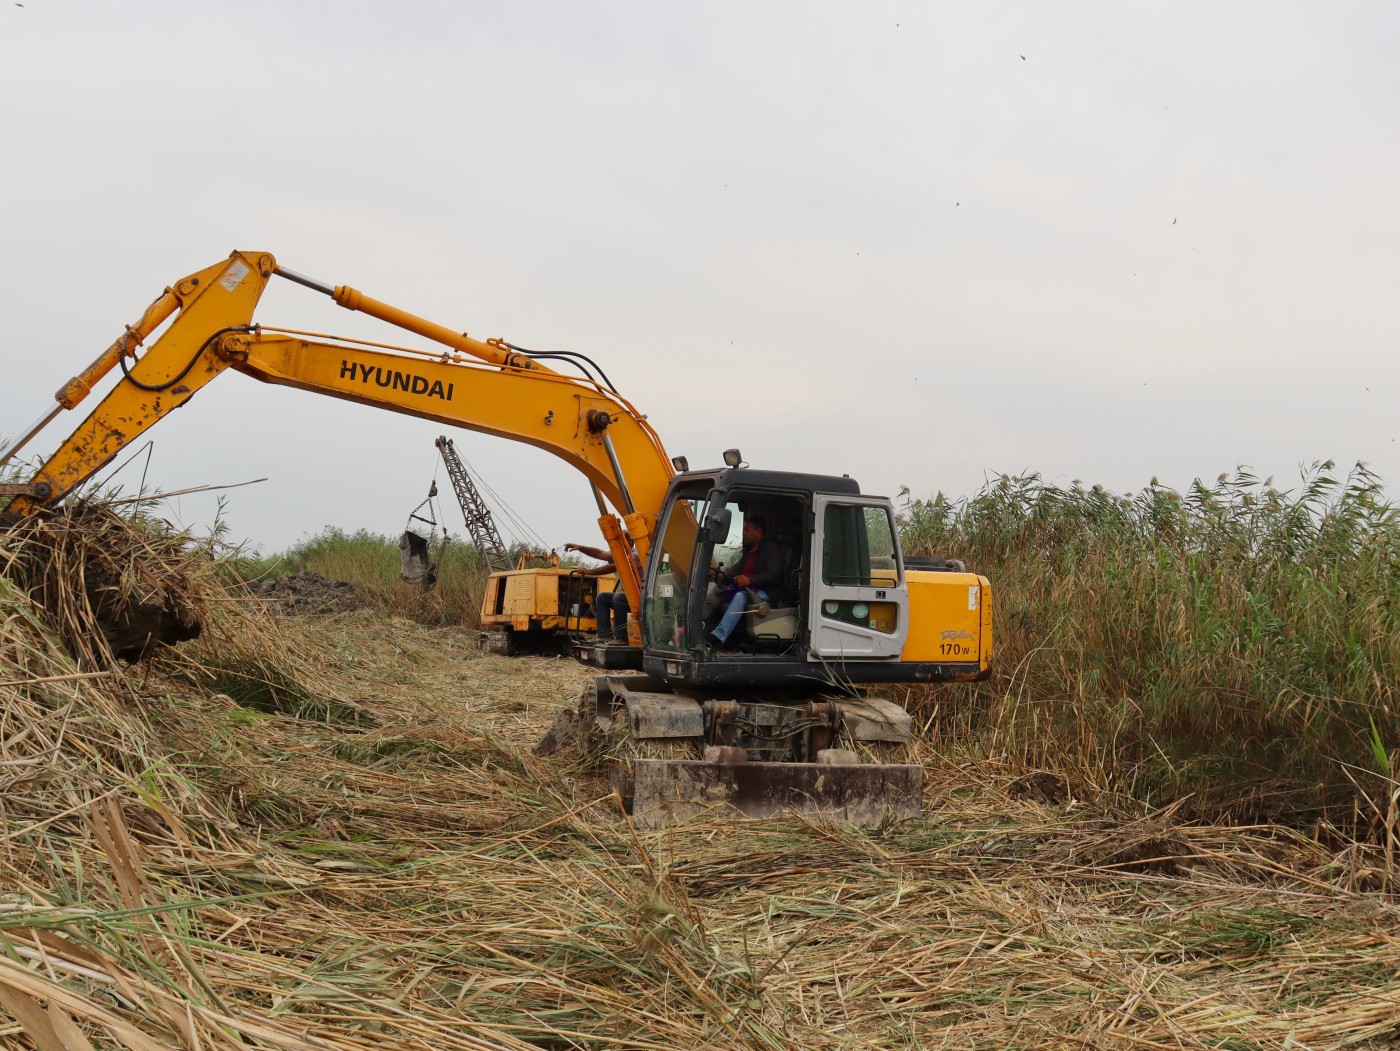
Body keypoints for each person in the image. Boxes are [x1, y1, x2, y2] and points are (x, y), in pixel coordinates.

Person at [704, 515, 782, 648]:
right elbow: (737, 569)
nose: (743, 533)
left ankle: (718, 636)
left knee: (740, 596)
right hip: (749, 588)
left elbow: (773, 575)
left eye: (747, 530)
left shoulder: (770, 549)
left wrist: (750, 580)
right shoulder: (750, 550)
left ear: (758, 532)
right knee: (719, 591)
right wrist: (719, 573)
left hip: (766, 592)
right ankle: (705, 628)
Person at [563, 539, 634, 641]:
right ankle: (604, 636)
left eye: (617, 541)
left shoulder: (634, 556)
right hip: (630, 597)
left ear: (629, 544)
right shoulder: (622, 554)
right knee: (602, 597)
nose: (614, 545)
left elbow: (613, 567)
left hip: (640, 597)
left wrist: (588, 572)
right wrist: (580, 547)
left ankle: (621, 638)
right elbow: (602, 554)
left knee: (619, 597)